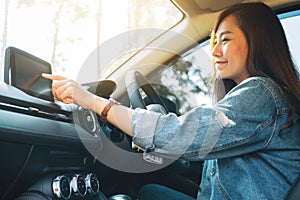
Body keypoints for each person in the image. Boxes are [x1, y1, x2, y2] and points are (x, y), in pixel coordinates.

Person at [43, 2, 300, 199]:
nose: (214, 52)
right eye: (214, 42)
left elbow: (180, 134)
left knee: (144, 192)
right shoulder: (267, 96)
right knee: (149, 190)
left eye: (226, 40)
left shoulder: (261, 93)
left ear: (257, 42)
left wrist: (94, 102)